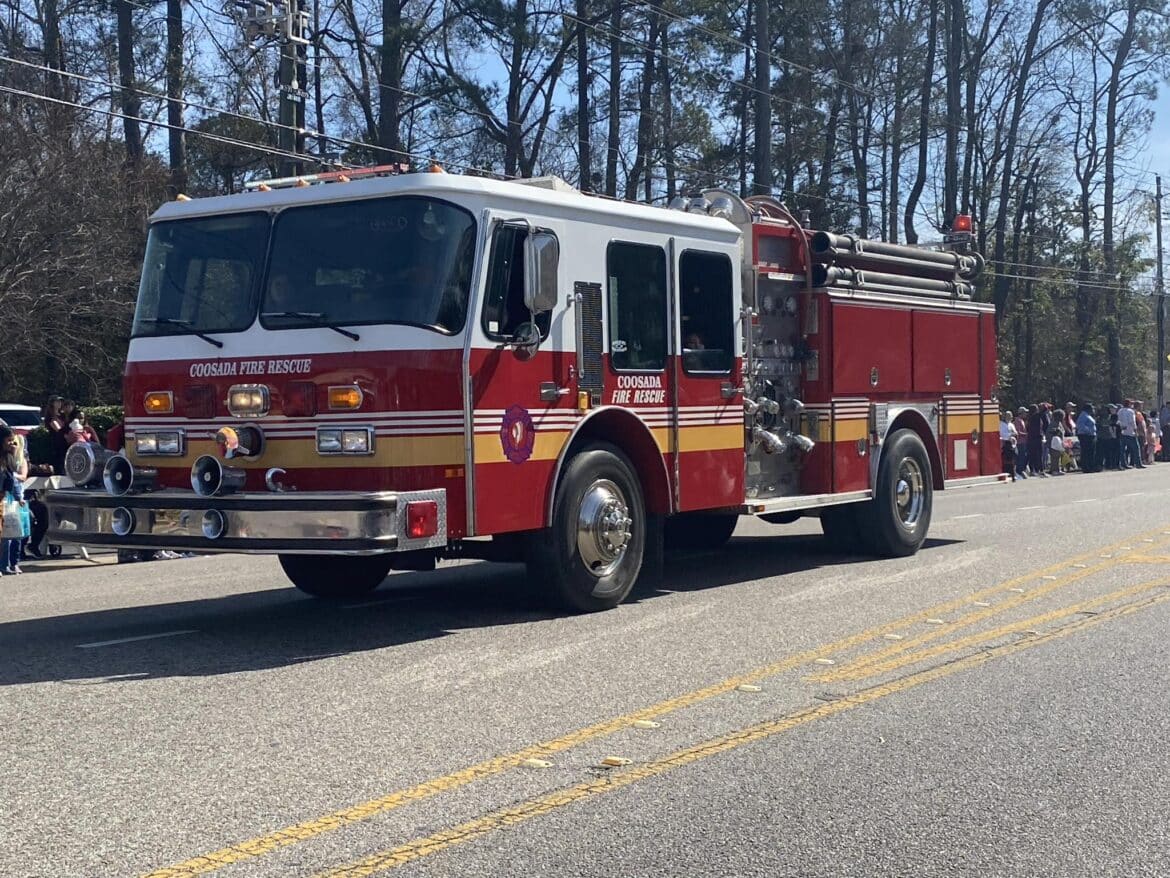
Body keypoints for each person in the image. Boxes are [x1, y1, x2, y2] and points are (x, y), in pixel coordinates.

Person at [0, 425, 27, 574]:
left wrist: (18, 498)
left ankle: (5, 566)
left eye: (13, 441)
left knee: (6, 534)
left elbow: (13, 478)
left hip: (3, 499)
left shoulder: (8, 456)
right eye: (9, 441)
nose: (12, 443)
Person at [1118, 399, 1143, 469]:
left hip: (1123, 431)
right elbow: (1132, 422)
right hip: (1130, 432)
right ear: (1129, 404)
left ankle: (1123, 464)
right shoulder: (1131, 411)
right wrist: (1135, 430)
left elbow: (1119, 420)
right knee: (1136, 448)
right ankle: (1138, 463)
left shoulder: (1120, 411)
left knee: (1122, 450)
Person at [1075, 402, 1097, 474]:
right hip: (1086, 436)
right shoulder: (1083, 415)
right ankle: (1086, 467)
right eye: (1092, 408)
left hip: (1090, 436)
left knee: (1090, 452)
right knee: (1086, 452)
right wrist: (1089, 431)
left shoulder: (1088, 415)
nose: (1093, 410)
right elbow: (1080, 425)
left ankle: (1090, 467)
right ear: (1088, 409)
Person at [999, 412, 1018, 481]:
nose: (1010, 418)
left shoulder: (1011, 424)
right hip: (1005, 444)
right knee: (1007, 460)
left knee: (1014, 459)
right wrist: (1010, 435)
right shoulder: (1001, 424)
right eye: (1008, 416)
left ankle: (1013, 474)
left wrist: (1014, 434)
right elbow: (1002, 434)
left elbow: (1015, 432)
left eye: (1011, 416)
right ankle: (1009, 474)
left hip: (1013, 444)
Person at [1012, 407, 1029, 478]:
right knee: (1021, 457)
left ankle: (1021, 470)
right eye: (1025, 412)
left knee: (1023, 456)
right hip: (1020, 442)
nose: (1026, 414)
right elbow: (1018, 432)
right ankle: (1019, 471)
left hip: (1023, 442)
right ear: (1021, 413)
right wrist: (1027, 434)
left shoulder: (1021, 420)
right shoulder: (1017, 421)